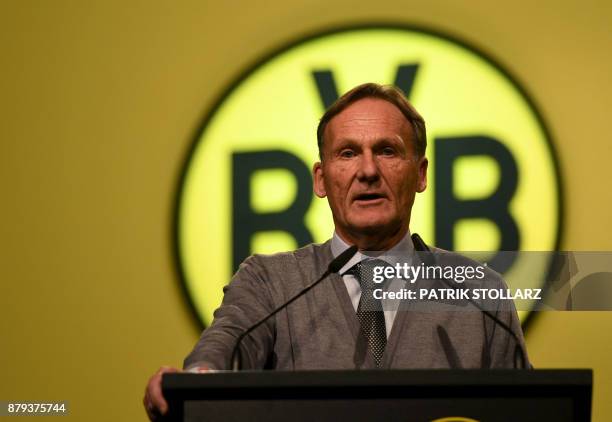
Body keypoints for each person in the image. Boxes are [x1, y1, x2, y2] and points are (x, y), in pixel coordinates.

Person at [143, 83, 529, 420]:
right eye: (347, 153)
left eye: (387, 151)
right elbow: (224, 346)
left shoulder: (479, 292)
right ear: (321, 179)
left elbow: (529, 407)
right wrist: (195, 381)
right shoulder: (271, 282)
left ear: (422, 173)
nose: (367, 171)